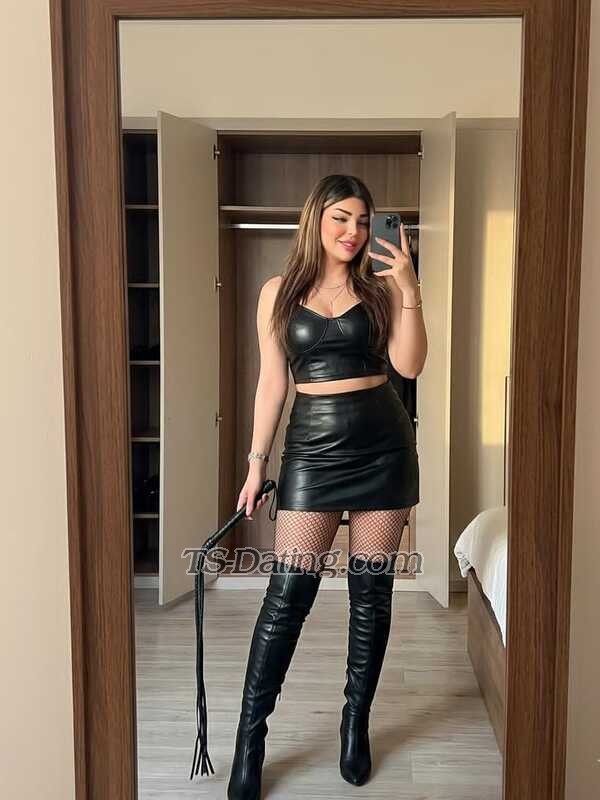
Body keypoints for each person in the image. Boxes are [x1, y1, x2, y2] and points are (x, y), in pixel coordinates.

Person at [227, 174, 427, 799]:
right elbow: (271, 383)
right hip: (312, 452)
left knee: (371, 596)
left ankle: (354, 724)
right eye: (342, 218)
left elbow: (410, 365)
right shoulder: (278, 291)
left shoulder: (382, 287)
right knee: (287, 596)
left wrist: (410, 288)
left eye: (363, 221)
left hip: (383, 446)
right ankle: (249, 742)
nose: (354, 232)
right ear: (316, 218)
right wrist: (257, 464)